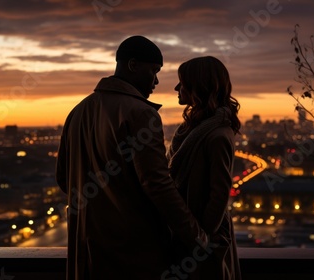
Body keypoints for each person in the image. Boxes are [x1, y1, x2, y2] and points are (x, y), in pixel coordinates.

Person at [55, 35, 209, 280]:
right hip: (132, 250)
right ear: (133, 65)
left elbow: (64, 178)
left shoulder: (78, 111)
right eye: (154, 71)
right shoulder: (141, 114)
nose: (156, 80)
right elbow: (157, 185)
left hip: (85, 249)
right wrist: (197, 237)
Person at [167, 56, 242, 279]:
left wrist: (201, 237)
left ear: (199, 86)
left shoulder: (217, 135)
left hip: (204, 241)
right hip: (191, 235)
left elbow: (219, 195)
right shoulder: (195, 129)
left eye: (183, 82)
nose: (177, 88)